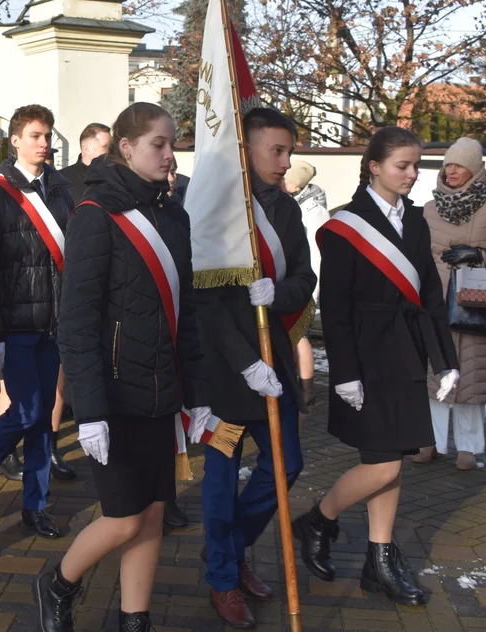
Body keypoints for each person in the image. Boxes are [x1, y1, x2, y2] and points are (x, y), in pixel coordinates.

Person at [33, 102, 204, 632]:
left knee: (152, 511)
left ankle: (136, 617)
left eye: (173, 143)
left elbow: (187, 312)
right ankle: (58, 581)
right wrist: (88, 411)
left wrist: (196, 392)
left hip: (162, 390)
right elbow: (77, 322)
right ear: (127, 148)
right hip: (113, 393)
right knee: (124, 516)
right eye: (159, 144)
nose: (170, 155)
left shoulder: (173, 213)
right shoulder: (96, 214)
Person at [294, 126, 459, 606]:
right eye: (402, 165)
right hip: (365, 356)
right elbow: (337, 307)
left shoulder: (416, 220)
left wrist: (444, 359)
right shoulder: (346, 225)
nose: (412, 174)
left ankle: (379, 560)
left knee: (393, 459)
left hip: (406, 349)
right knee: (383, 464)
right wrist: (343, 370)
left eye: (416, 166)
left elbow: (429, 292)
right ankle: (319, 520)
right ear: (374, 166)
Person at [192, 108, 315, 629]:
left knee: (287, 465)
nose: (286, 162)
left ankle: (230, 548)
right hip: (224, 375)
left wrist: (278, 291)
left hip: (275, 365)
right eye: (277, 151)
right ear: (247, 151)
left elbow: (304, 277)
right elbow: (204, 303)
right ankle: (223, 578)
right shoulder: (213, 212)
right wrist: (245, 362)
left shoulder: (285, 211)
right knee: (219, 483)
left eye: (289, 151)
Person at [0, 104, 73, 540]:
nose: (43, 144)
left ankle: (36, 504)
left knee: (44, 417)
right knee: (26, 410)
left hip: (55, 323)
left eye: (47, 136)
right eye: (34, 136)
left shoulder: (63, 190)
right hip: (17, 324)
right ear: (15, 141)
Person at [414, 137, 486, 470]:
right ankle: (428, 442)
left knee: (471, 378)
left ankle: (468, 449)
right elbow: (421, 252)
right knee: (434, 375)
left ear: (474, 168)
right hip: (436, 302)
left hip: (477, 303)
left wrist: (479, 255)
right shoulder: (430, 207)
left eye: (460, 165)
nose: (452, 170)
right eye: (449, 164)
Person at [284, 159, 330, 406]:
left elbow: (316, 253)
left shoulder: (314, 211)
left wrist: (311, 288)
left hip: (306, 284)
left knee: (298, 334)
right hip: (297, 280)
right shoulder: (298, 204)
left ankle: (307, 389)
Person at [59, 122, 112, 204]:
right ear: (87, 150)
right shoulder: (62, 179)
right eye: (105, 147)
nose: (111, 152)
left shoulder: (117, 176)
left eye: (111, 147)